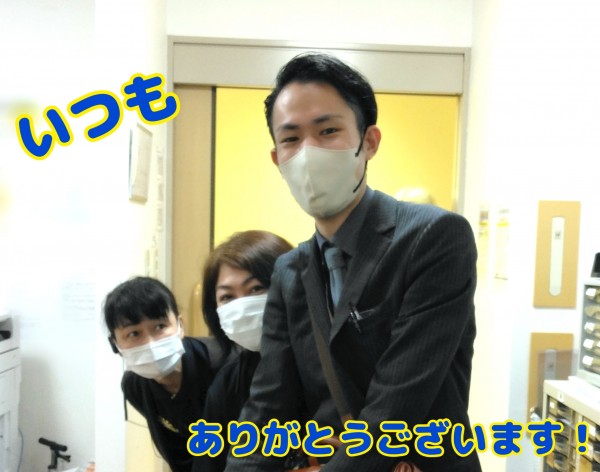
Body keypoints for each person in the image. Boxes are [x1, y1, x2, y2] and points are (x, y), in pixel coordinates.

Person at [224, 53, 481, 471]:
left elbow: (395, 406)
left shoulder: (433, 237)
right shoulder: (290, 272)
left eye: (328, 131)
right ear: (277, 159)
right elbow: (267, 408)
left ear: (369, 141)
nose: (308, 152)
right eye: (291, 139)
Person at [192, 230, 294, 471]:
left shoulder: (333, 366)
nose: (242, 307)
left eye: (257, 288)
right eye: (227, 297)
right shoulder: (226, 386)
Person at [103, 276, 212, 472]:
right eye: (134, 334)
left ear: (180, 326)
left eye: (160, 327)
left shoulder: (221, 364)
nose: (151, 343)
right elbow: (177, 453)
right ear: (115, 345)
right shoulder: (134, 387)